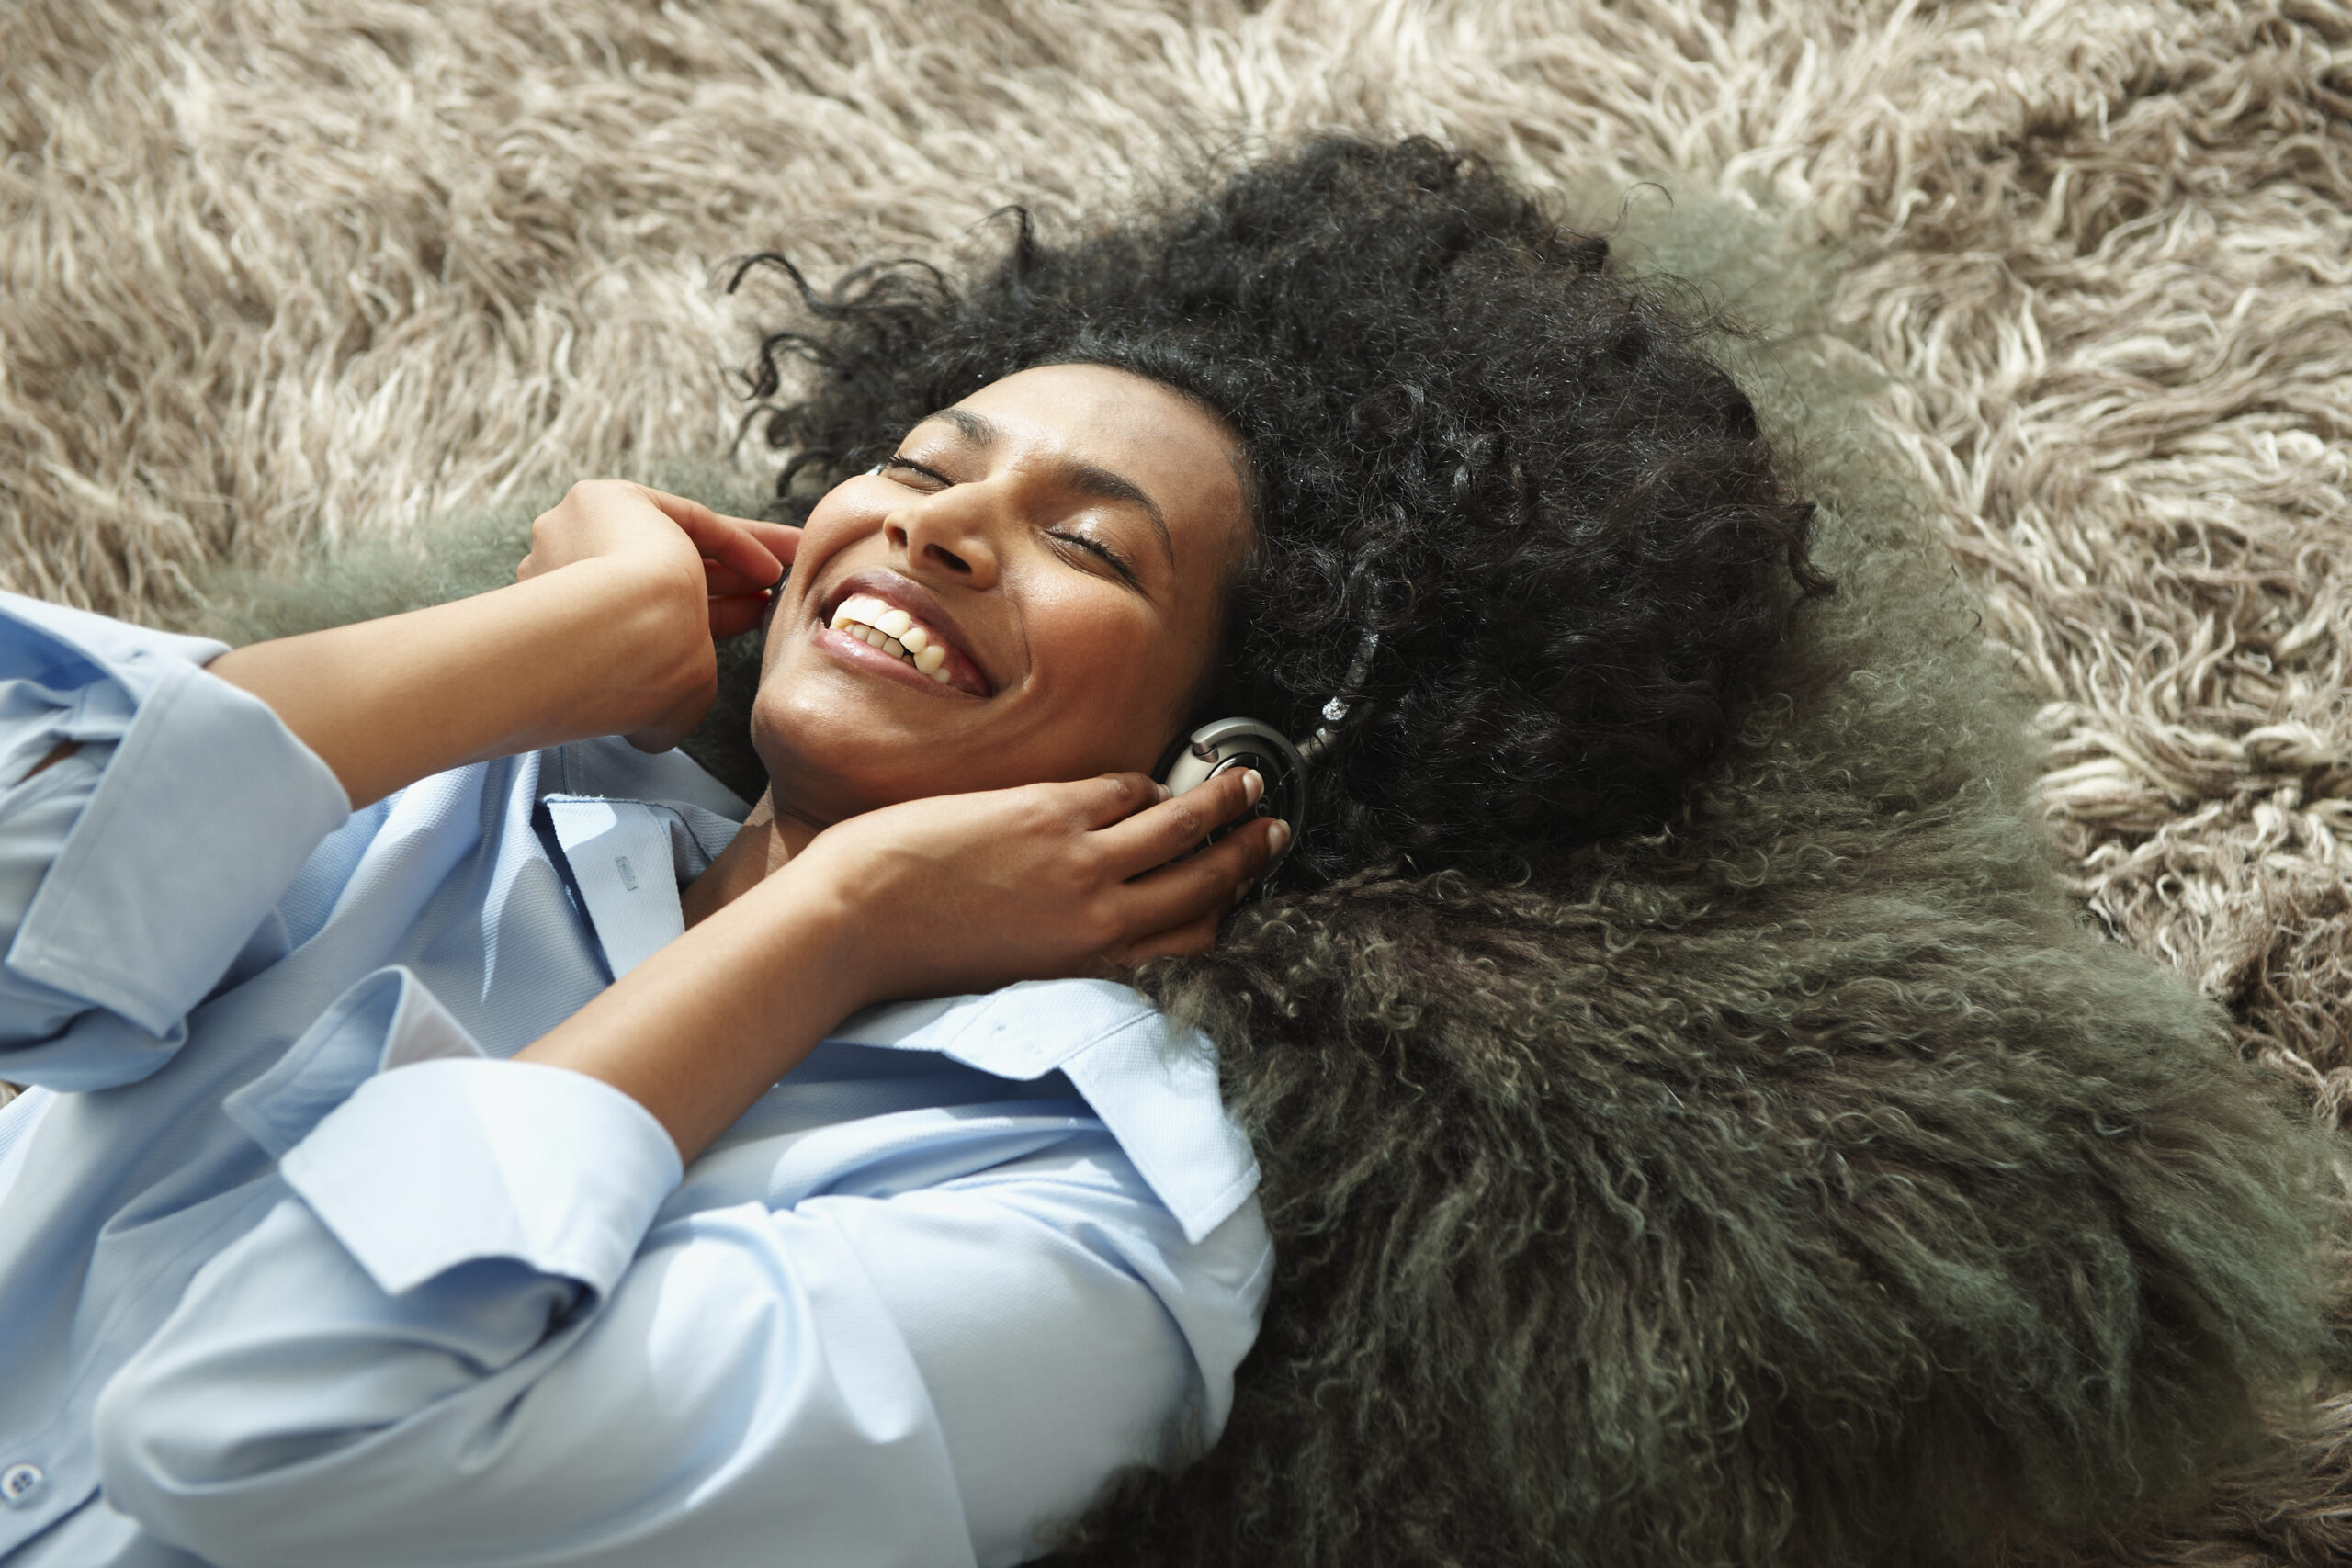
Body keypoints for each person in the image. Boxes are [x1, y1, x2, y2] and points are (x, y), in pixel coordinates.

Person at [0, 136, 1820, 1567]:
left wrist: (840, 925)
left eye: (1089, 547)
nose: (934, 528)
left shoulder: (1083, 1223)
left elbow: (256, 1428)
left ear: (1225, 759)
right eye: (919, 461)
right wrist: (525, 647)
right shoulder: (481, 781)